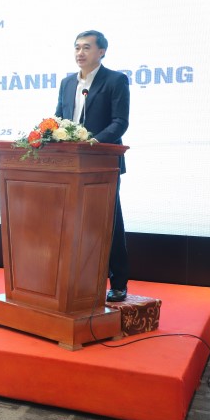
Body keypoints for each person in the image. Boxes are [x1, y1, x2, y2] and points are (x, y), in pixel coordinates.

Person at [55, 30, 130, 302]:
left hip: (102, 163)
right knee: (72, 224)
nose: (80, 53)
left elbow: (120, 122)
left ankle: (118, 282)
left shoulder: (115, 80)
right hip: (70, 166)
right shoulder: (67, 83)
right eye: (77, 47)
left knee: (109, 221)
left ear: (101, 51)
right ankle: (77, 280)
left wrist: (94, 143)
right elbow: (59, 118)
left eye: (86, 47)